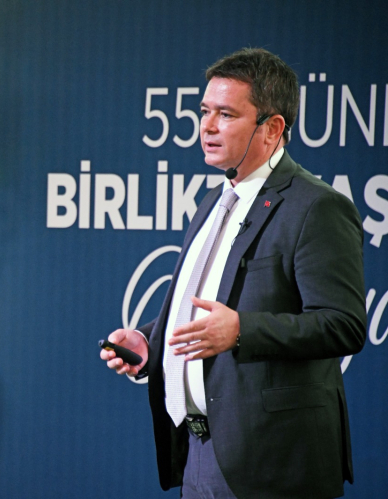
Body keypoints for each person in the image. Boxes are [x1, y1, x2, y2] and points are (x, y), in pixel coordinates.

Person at [101, 48, 366, 498]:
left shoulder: (317, 206)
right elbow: (209, 300)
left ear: (273, 128)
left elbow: (343, 325)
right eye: (204, 111)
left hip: (273, 464)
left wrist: (243, 331)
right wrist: (151, 341)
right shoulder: (214, 200)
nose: (206, 126)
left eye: (225, 114)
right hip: (198, 451)